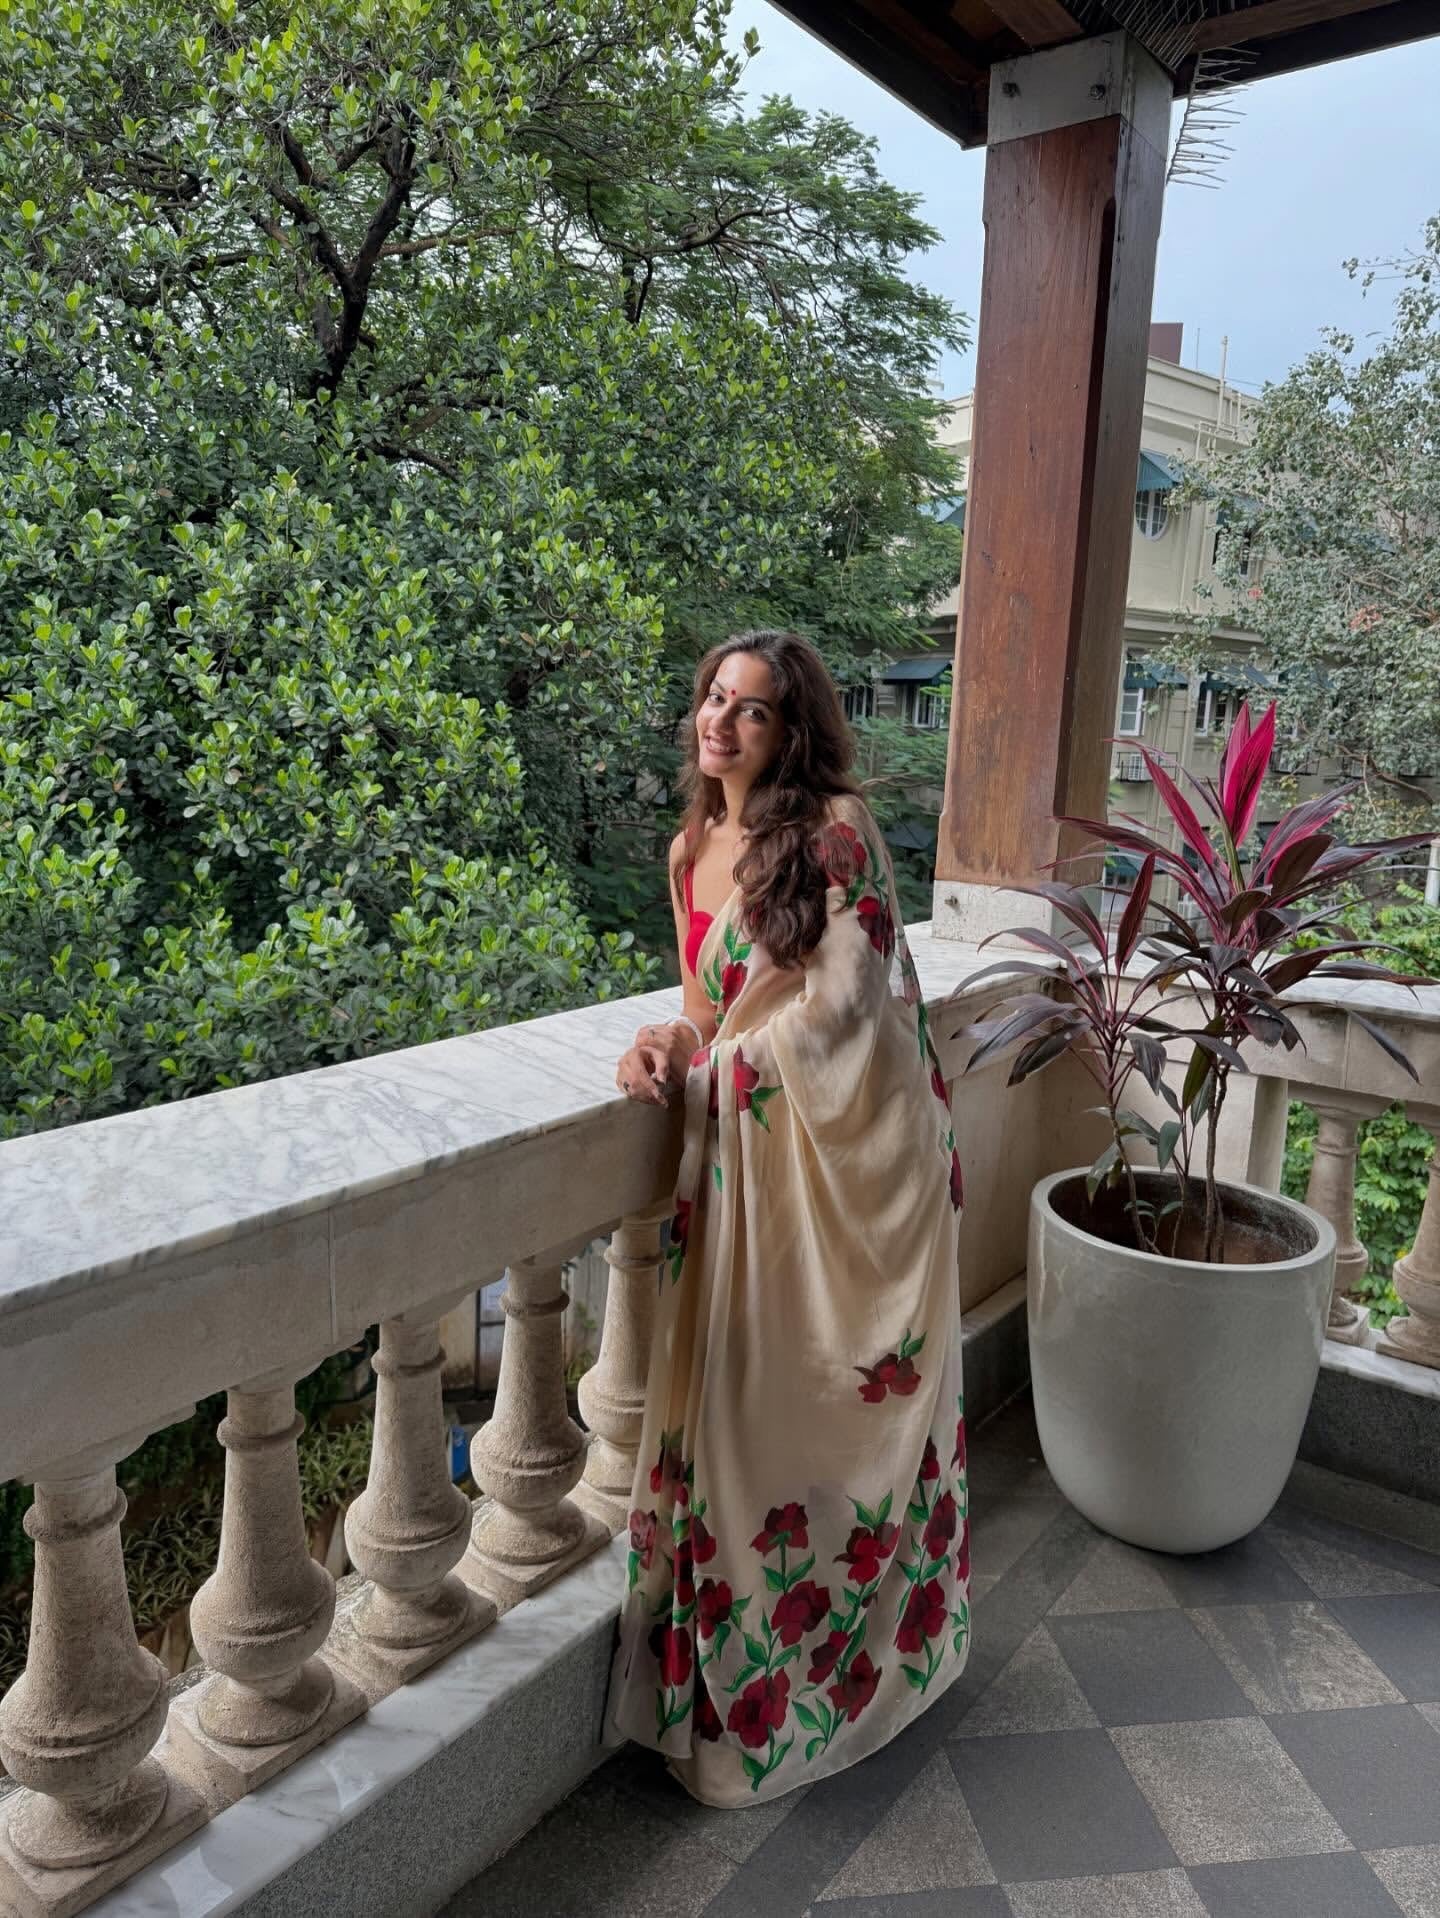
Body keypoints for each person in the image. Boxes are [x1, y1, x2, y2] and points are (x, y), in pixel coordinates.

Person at [606, 629, 969, 1807]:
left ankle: (838, 1680)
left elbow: (855, 1012)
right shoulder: (692, 849)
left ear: (792, 730)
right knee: (730, 1421)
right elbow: (710, 1008)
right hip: (753, 1175)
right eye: (713, 698)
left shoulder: (836, 834)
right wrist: (668, 1047)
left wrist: (720, 1075)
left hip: (856, 1181)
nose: (721, 721)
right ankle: (722, 1696)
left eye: (752, 710)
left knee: (809, 1419)